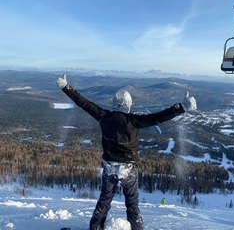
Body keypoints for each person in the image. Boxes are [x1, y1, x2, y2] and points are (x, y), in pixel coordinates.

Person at [56, 74, 197, 230]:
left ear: (116, 104)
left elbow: (84, 103)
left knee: (104, 200)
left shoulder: (104, 117)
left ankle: (96, 227)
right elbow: (158, 118)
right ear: (128, 104)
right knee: (132, 203)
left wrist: (65, 87)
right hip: (129, 168)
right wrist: (181, 107)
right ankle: (137, 228)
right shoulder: (134, 121)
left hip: (110, 166)